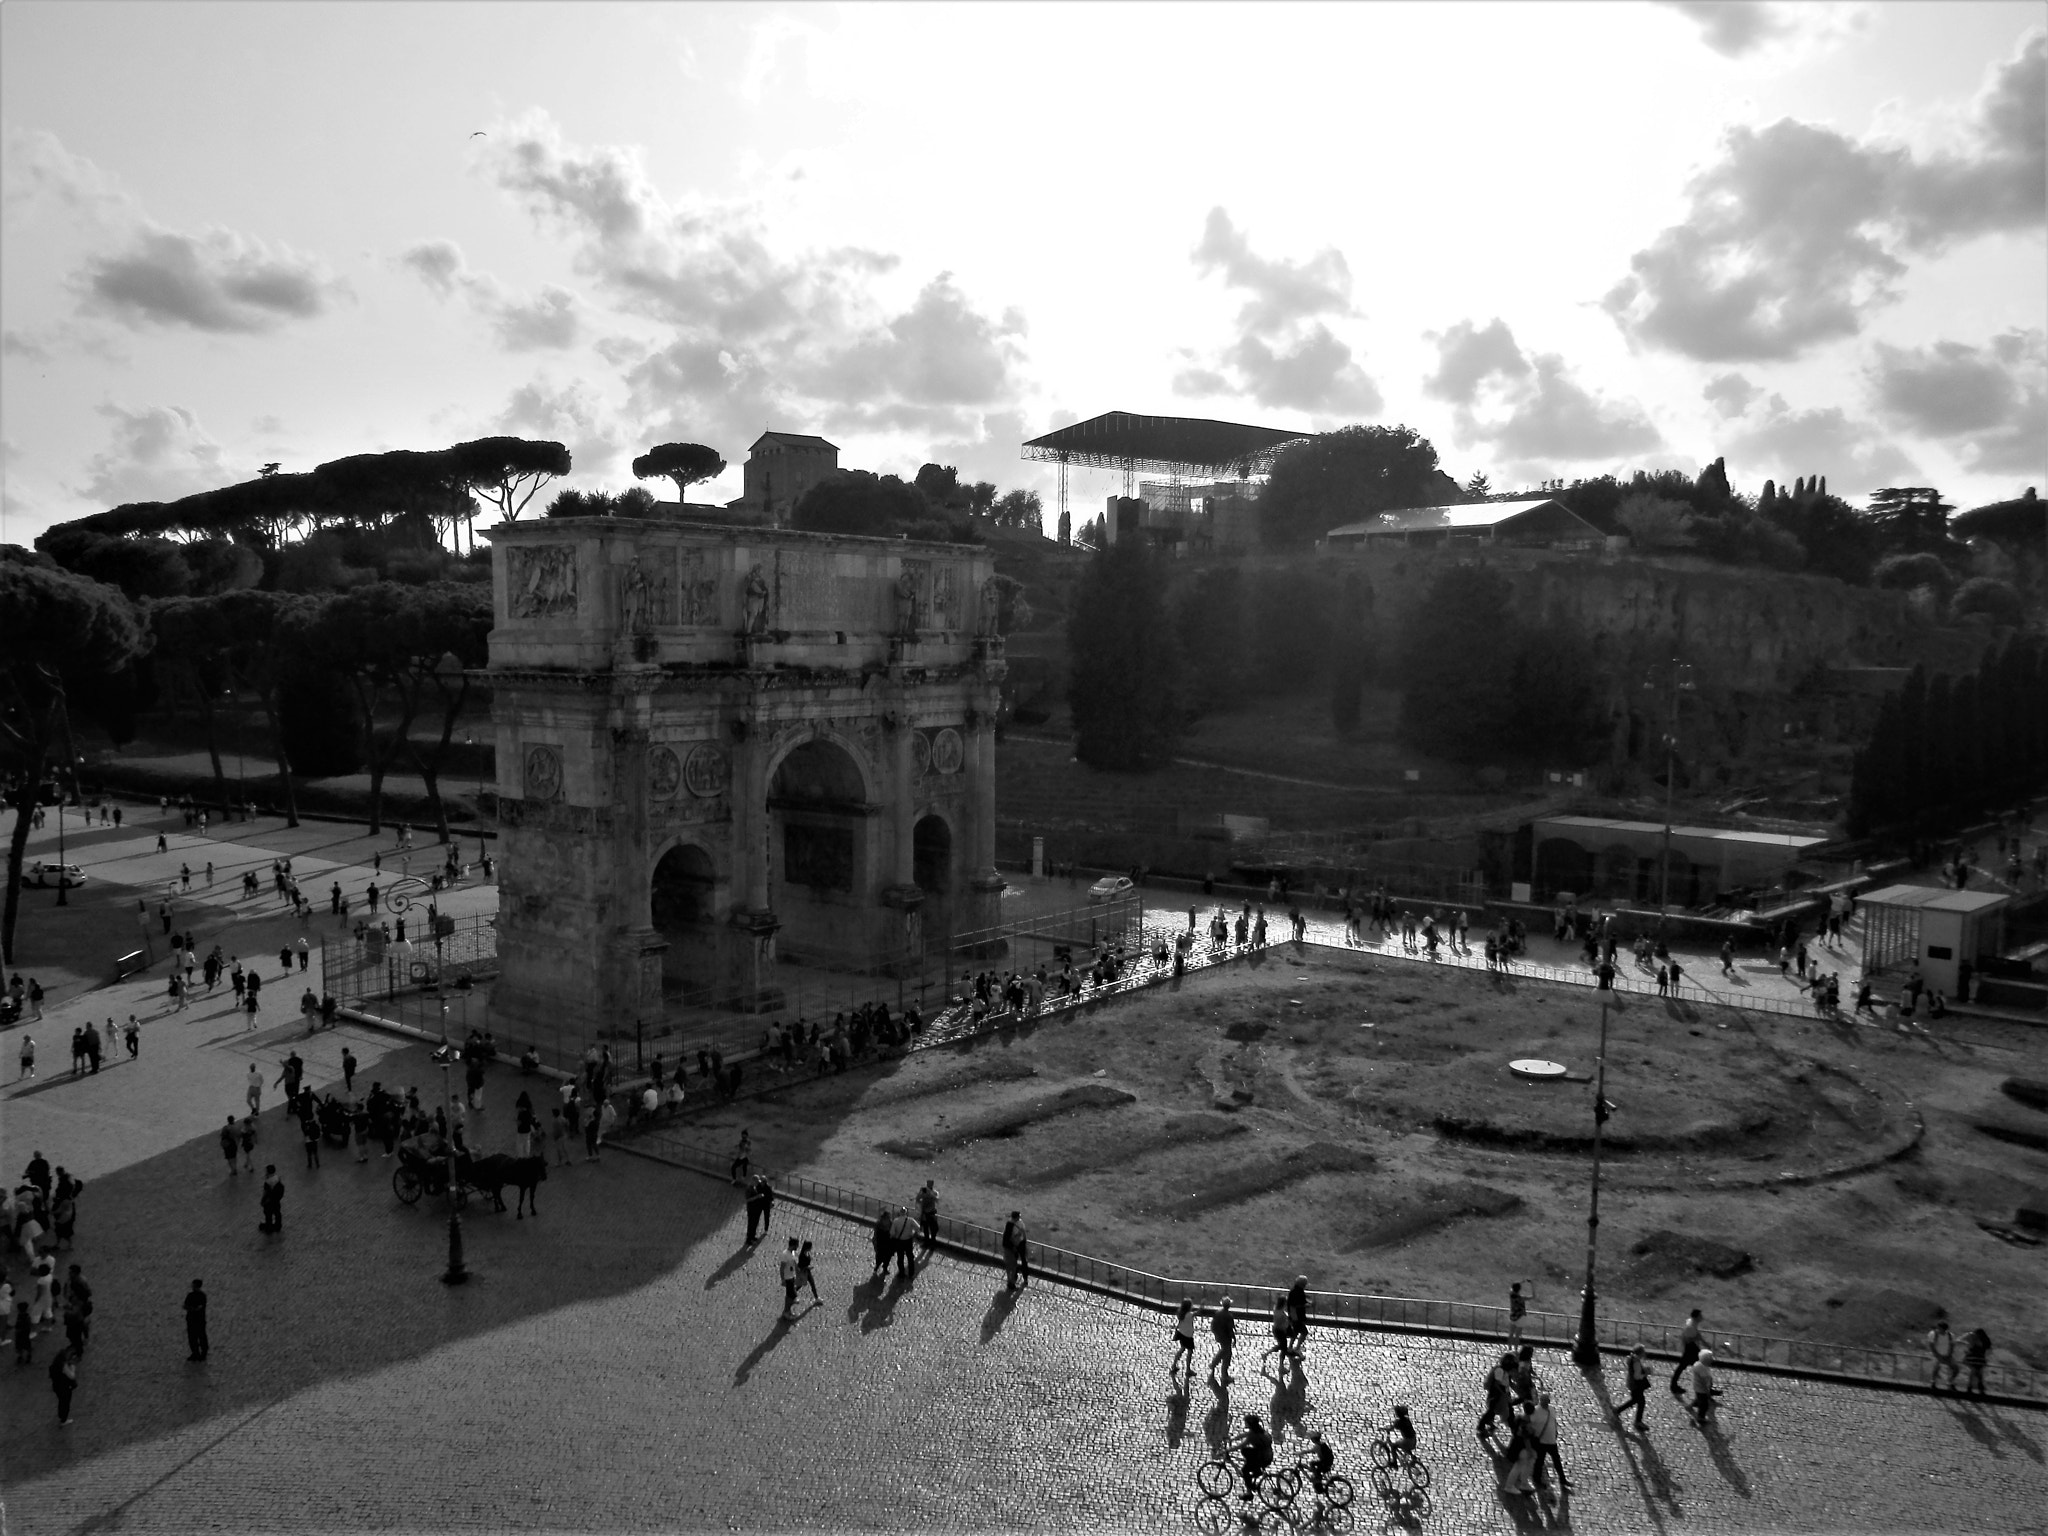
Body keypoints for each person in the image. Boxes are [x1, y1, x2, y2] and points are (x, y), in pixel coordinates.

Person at [1527, 1390, 1570, 1489]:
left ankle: (1562, 1479)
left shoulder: (1552, 1409)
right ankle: (1536, 1479)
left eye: (1547, 1400)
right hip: (1541, 1442)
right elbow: (1530, 1423)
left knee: (1557, 1461)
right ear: (1540, 1400)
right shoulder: (1536, 1411)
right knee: (1539, 1461)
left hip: (1551, 1441)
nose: (1545, 1402)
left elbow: (1553, 1421)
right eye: (1543, 1400)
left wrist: (1556, 1432)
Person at [1235, 1413, 1274, 1501]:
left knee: (1245, 1470)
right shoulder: (1260, 1431)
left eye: (1246, 1423)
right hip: (1267, 1455)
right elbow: (1245, 1434)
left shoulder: (1252, 1436)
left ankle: (1249, 1494)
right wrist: (1233, 1439)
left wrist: (1226, 1451)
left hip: (1262, 1458)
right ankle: (1256, 1471)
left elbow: (1240, 1445)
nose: (1245, 1424)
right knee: (1246, 1451)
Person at [1618, 1344, 1652, 1430]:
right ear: (1641, 1353)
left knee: (1635, 1400)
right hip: (1636, 1385)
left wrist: (1643, 1369)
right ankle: (1638, 1422)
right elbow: (1637, 1376)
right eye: (1644, 1352)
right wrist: (1645, 1373)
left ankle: (1618, 1410)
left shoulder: (1633, 1359)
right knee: (1641, 1402)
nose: (1645, 1353)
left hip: (1632, 1384)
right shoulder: (1636, 1362)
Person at [1671, 1308, 1703, 1396]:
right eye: (1700, 1316)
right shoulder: (1691, 1326)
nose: (1702, 1317)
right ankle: (1703, 1390)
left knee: (1682, 1367)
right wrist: (1697, 1338)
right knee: (1700, 1366)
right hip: (1690, 1349)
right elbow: (1689, 1340)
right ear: (1696, 1317)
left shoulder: (1693, 1323)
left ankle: (1673, 1386)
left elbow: (1696, 1335)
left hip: (1691, 1348)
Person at [1688, 1347, 1721, 1424]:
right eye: (1710, 1358)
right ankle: (1701, 1418)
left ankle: (1692, 1405)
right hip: (1701, 1389)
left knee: (1699, 1398)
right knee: (1704, 1405)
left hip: (1696, 1386)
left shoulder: (1697, 1364)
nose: (1712, 1359)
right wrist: (1708, 1391)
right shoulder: (1704, 1370)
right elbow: (1706, 1383)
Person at [1209, 1297, 1236, 1388]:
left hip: (1219, 1335)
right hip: (1226, 1337)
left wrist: (1216, 1333)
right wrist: (1234, 1338)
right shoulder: (1228, 1316)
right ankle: (1224, 1374)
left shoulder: (1218, 1313)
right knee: (1227, 1354)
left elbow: (1213, 1325)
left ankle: (1214, 1364)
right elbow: (1230, 1329)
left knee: (1224, 1351)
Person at [49, 1341, 78, 1425]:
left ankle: (61, 1415)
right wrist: (73, 1367)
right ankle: (63, 1419)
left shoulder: (56, 1363)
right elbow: (72, 1376)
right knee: (65, 1402)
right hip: (64, 1387)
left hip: (56, 1386)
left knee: (61, 1401)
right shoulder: (64, 1365)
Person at [1170, 1297, 1197, 1381]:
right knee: (1189, 1352)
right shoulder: (1189, 1315)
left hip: (1182, 1334)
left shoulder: (1181, 1313)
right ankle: (1188, 1370)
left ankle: (1174, 1364)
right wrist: (1202, 1305)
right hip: (1188, 1335)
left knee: (1182, 1349)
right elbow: (1198, 1312)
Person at [184, 1279, 209, 1361]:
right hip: (193, 1320)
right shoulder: (192, 1295)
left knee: (200, 1337)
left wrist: (192, 1309)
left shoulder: (201, 1296)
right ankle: (196, 1353)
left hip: (198, 1320)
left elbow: (199, 1307)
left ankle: (202, 1353)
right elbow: (185, 1305)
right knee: (193, 1337)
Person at [1962, 1327, 1991, 1396]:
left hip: (1975, 1357)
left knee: (1975, 1372)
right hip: (1978, 1358)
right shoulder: (1983, 1340)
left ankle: (1971, 1387)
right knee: (1978, 1372)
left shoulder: (1977, 1339)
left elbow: (1974, 1347)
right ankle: (1979, 1388)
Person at [778, 1238, 801, 1319]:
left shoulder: (793, 1253)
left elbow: (795, 1264)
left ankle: (787, 1312)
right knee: (793, 1297)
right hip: (787, 1278)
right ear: (793, 1245)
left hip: (792, 1276)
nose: (798, 1246)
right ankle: (786, 1312)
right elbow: (782, 1268)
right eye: (797, 1245)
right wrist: (782, 1279)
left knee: (789, 1296)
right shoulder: (785, 1255)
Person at [258, 1166, 284, 1234]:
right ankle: (278, 1226)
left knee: (268, 1215)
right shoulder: (277, 1177)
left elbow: (265, 1192)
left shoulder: (267, 1182)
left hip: (269, 1200)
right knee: (277, 1213)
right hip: (276, 1199)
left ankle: (269, 1228)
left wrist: (262, 1201)